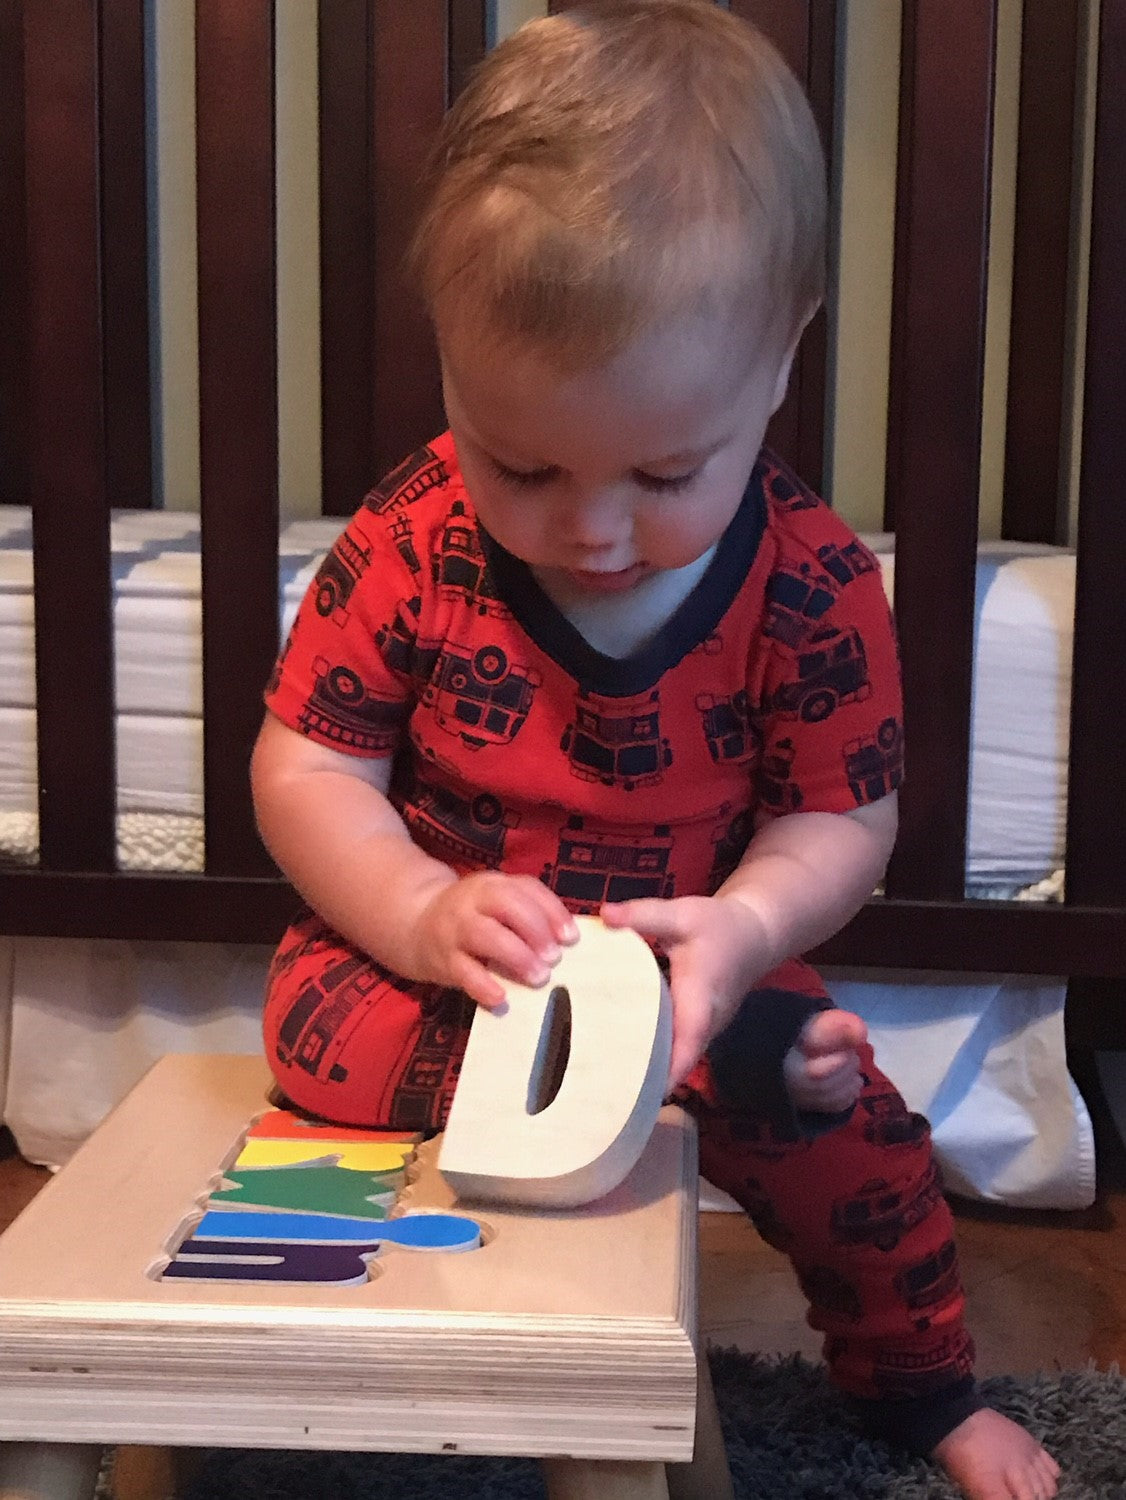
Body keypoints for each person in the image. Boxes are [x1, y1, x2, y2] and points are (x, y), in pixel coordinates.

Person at [251, 5, 1059, 1497]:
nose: (594, 528)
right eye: (522, 463)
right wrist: (420, 914)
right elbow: (307, 768)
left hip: (689, 972)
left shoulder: (815, 584)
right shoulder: (410, 536)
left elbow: (843, 820)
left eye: (665, 472)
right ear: (450, 367)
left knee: (858, 1140)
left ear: (780, 360)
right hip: (453, 968)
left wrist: (746, 933)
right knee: (313, 1035)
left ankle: (923, 1394)